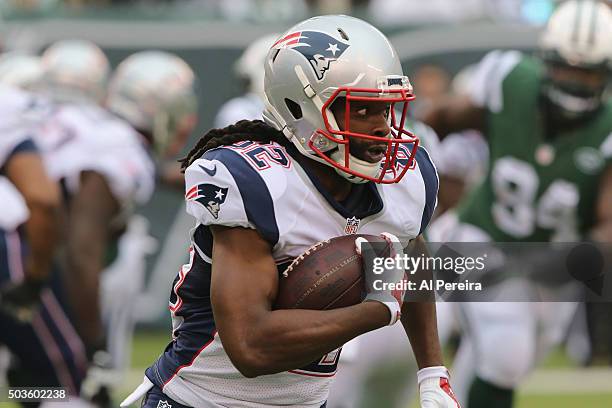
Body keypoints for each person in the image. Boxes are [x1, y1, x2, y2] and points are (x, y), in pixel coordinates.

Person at [122, 15, 459, 408]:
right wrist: (376, 311)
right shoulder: (258, 183)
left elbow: (411, 251)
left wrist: (432, 372)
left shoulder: (406, 180)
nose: (382, 128)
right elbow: (251, 348)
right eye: (361, 110)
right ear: (301, 108)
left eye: (385, 110)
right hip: (200, 399)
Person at [421, 1, 612, 407]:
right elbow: (443, 118)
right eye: (565, 67)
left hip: (552, 265)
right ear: (545, 61)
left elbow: (607, 227)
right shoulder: (511, 80)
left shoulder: (607, 129)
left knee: (506, 362)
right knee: (506, 351)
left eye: (587, 71)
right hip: (481, 238)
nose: (574, 81)